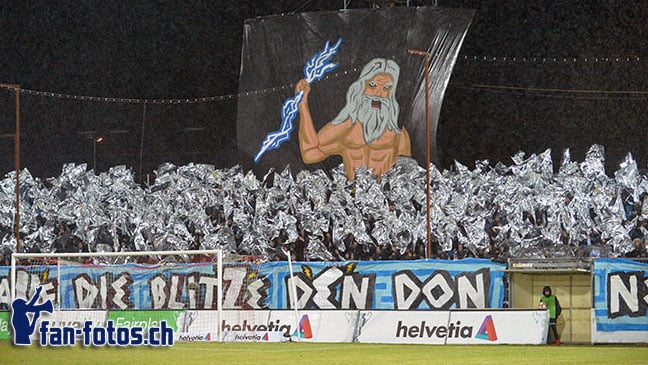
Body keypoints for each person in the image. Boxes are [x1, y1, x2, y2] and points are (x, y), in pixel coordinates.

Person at [296, 58, 411, 180]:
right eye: (373, 85)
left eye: (386, 88)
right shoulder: (346, 127)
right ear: (361, 87)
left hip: (388, 197)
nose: (378, 94)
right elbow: (310, 154)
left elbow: (408, 173)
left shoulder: (398, 134)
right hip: (354, 194)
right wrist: (303, 105)